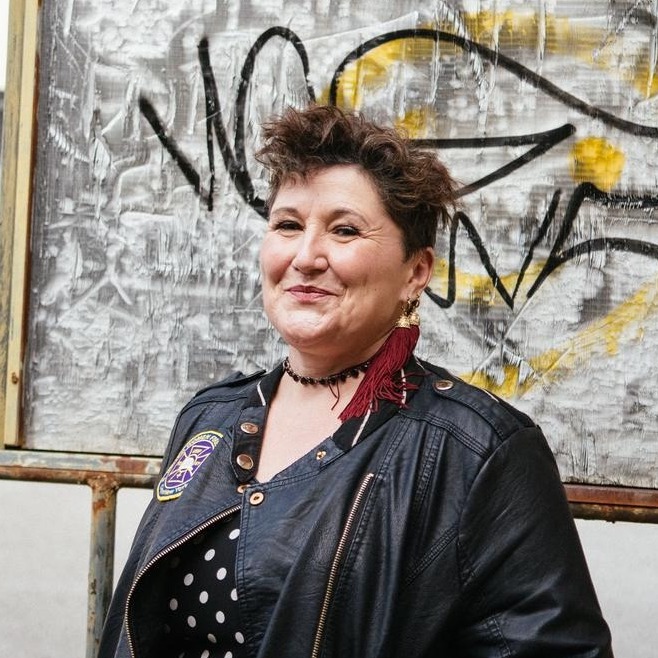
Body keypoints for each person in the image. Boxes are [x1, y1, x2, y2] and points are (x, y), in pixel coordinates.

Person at [98, 104, 613, 658]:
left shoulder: (476, 451)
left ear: (416, 271)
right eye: (288, 225)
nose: (305, 256)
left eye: (344, 230)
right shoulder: (210, 418)